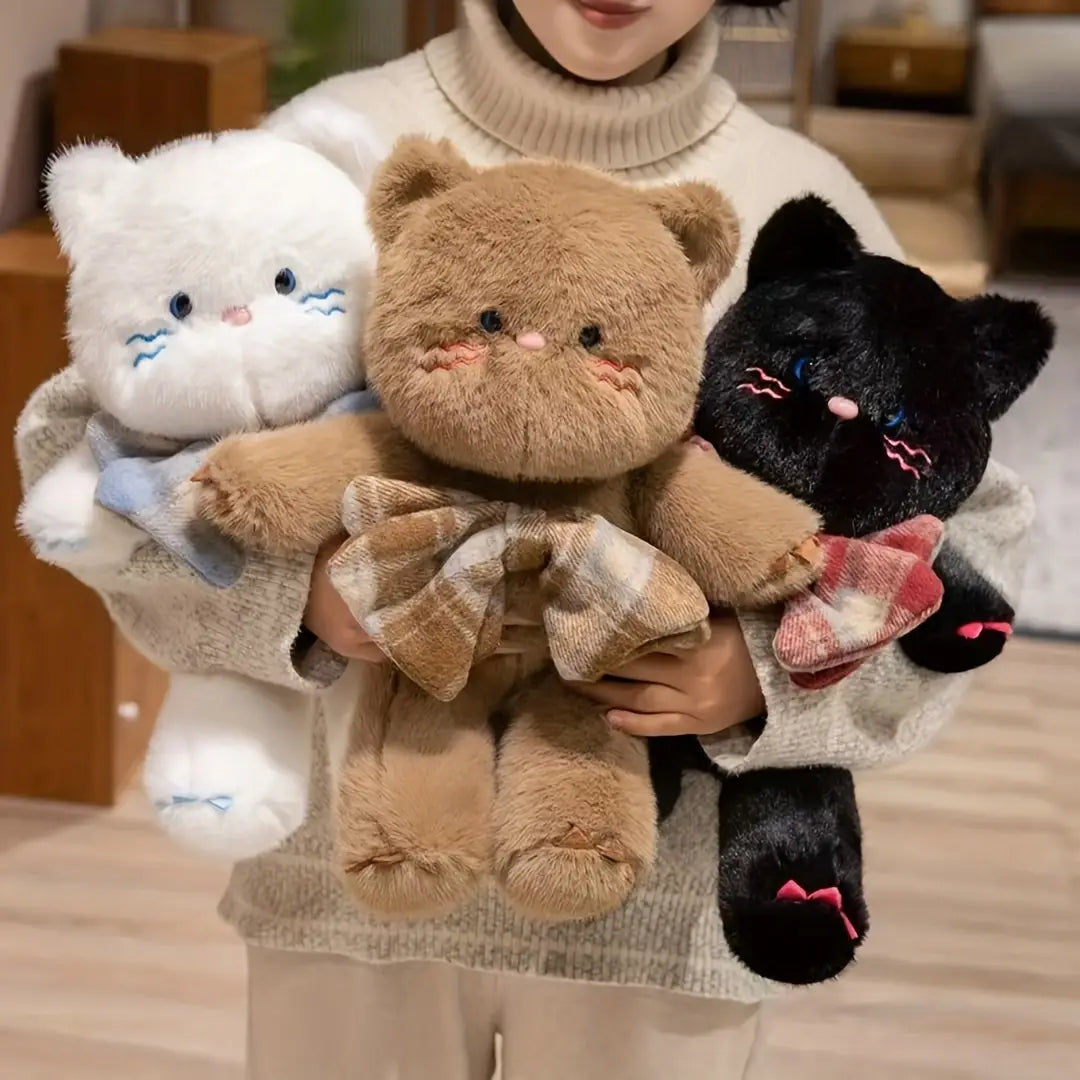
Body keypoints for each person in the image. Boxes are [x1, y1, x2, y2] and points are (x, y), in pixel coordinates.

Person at [15, 1, 1034, 1077]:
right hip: (352, 883)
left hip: (655, 911)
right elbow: (84, 448)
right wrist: (291, 597)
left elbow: (973, 535)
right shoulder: (334, 147)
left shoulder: (799, 197)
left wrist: (771, 673)